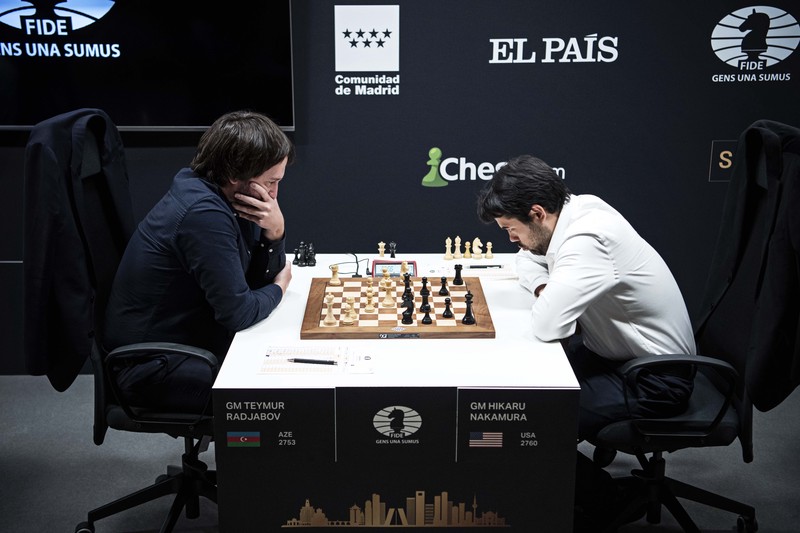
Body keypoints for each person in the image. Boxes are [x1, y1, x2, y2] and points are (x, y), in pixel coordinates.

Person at [477, 155, 697, 530]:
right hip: (612, 355)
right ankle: (553, 489)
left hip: (654, 378)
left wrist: (550, 297)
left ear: (537, 213)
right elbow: (525, 260)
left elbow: (549, 325)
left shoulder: (587, 238)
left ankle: (607, 502)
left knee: (526, 419)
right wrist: (547, 287)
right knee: (516, 392)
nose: (511, 239)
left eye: (511, 228)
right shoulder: (574, 211)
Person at [104, 110, 294, 413]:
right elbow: (239, 313)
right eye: (271, 181)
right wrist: (280, 288)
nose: (274, 194)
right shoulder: (203, 213)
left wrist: (275, 231)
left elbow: (252, 282)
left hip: (186, 345)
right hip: (152, 368)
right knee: (286, 395)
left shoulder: (222, 195)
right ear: (235, 175)